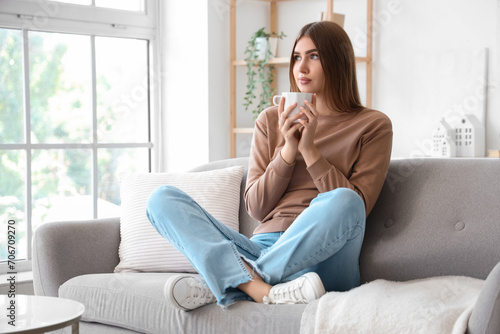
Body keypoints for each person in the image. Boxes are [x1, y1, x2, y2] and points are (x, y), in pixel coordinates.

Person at [146, 20, 392, 311]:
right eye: (297, 57)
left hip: (325, 257)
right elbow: (257, 208)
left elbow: (356, 211)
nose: (300, 68)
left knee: (345, 199)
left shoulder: (373, 125)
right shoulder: (269, 120)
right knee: (161, 199)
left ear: (338, 61)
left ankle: (236, 282)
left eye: (313, 56)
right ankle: (262, 287)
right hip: (262, 246)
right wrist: (287, 150)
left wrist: (310, 151)